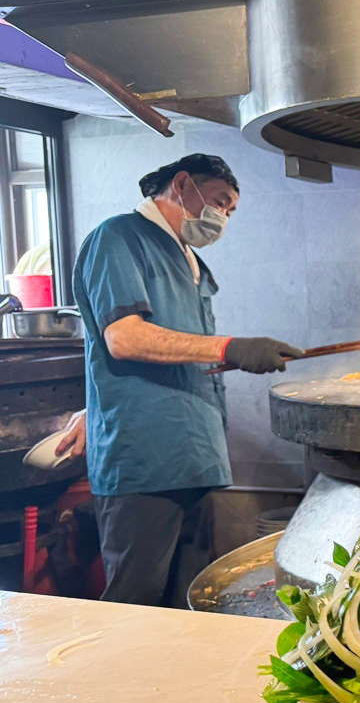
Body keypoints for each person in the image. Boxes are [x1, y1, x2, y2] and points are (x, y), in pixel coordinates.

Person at [57, 154, 303, 606]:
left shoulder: (186, 257)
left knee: (187, 600)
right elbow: (124, 338)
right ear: (183, 184)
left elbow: (178, 352)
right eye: (219, 202)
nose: (223, 218)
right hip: (145, 458)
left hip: (192, 456)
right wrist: (231, 347)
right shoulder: (118, 238)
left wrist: (233, 354)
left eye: (230, 212)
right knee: (137, 600)